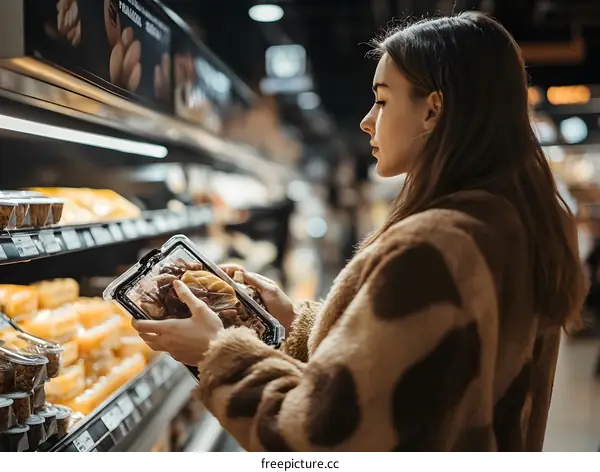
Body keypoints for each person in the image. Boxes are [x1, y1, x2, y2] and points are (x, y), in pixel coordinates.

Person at [132, 12, 587, 452]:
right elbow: (409, 385)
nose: (368, 119)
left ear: (433, 111)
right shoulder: (511, 224)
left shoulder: (437, 246)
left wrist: (218, 353)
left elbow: (324, 441)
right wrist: (293, 322)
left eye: (383, 100)